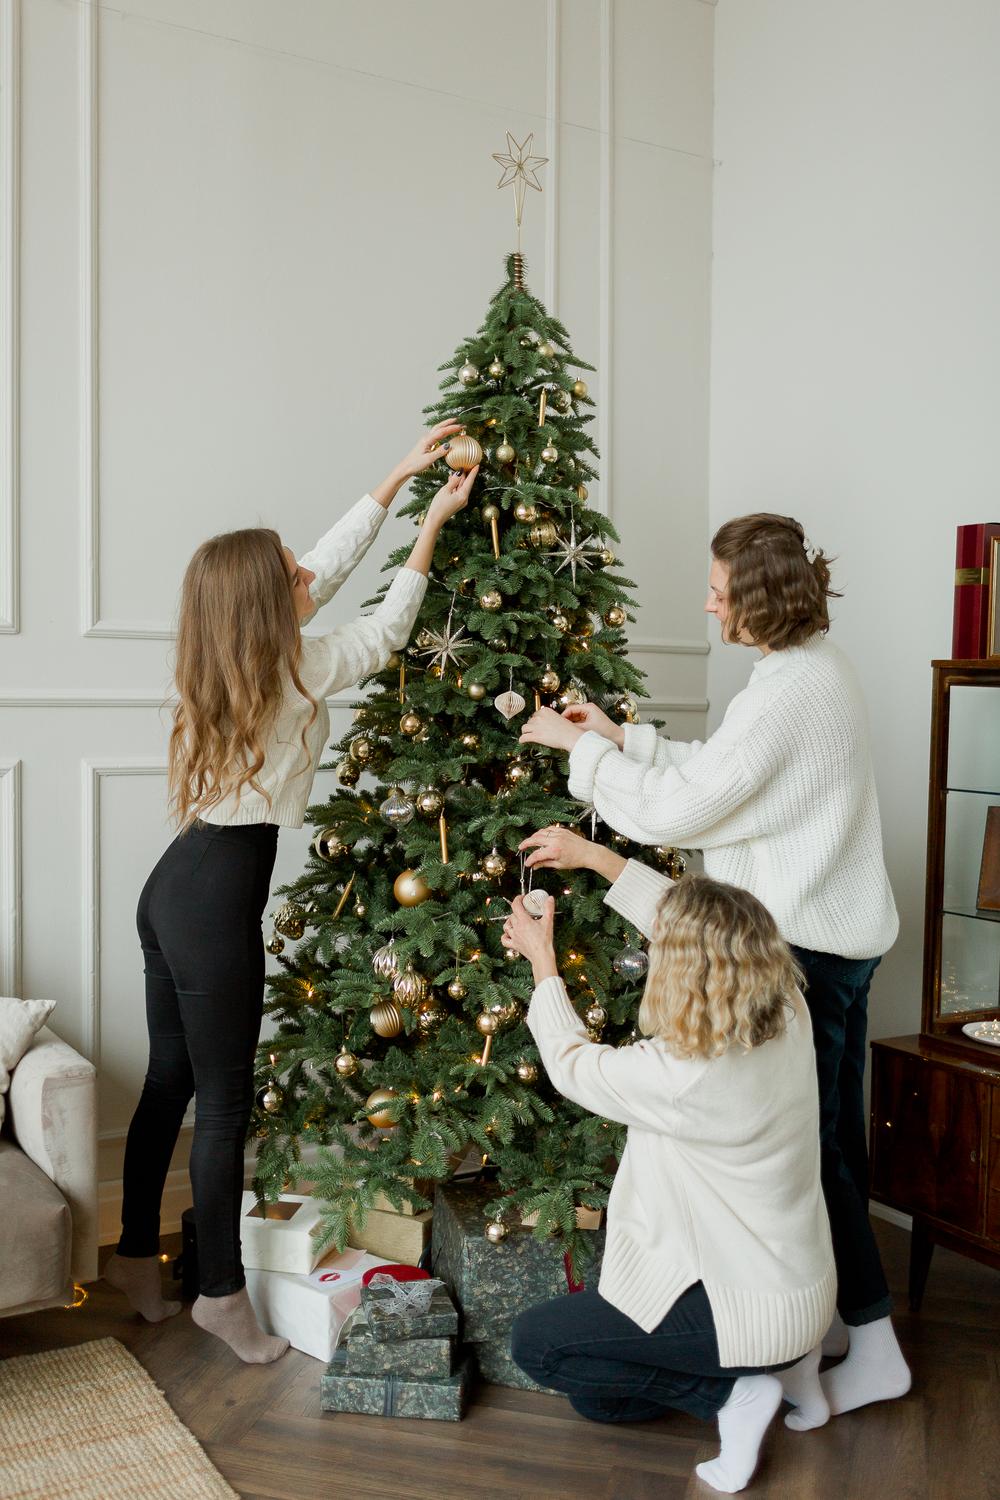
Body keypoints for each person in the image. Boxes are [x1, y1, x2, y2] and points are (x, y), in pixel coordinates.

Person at [518, 513, 910, 1419]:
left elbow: (682, 813)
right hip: (840, 941)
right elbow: (733, 772)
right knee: (831, 1152)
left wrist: (579, 751)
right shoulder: (811, 671)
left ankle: (852, 1349)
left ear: (758, 599)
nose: (706, 602)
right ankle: (847, 1330)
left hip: (802, 947)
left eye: (718, 590)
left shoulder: (788, 691)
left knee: (814, 1162)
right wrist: (624, 737)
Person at [104, 422, 476, 1362]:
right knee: (222, 1106)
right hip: (213, 905)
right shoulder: (297, 671)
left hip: (170, 889)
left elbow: (322, 568)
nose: (307, 576)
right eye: (292, 574)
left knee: (168, 1083)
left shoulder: (233, 659)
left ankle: (135, 1262)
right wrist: (432, 517)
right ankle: (220, 1298)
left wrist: (392, 477)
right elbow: (389, 627)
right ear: (270, 605)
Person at [502, 867, 836, 1495]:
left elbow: (571, 1063)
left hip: (746, 1315)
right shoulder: (787, 1001)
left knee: (542, 1347)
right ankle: (797, 1377)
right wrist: (595, 857)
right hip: (804, 1293)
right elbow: (702, 924)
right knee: (598, 1402)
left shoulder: (681, 1076)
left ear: (681, 968)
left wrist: (542, 959)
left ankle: (732, 1394)